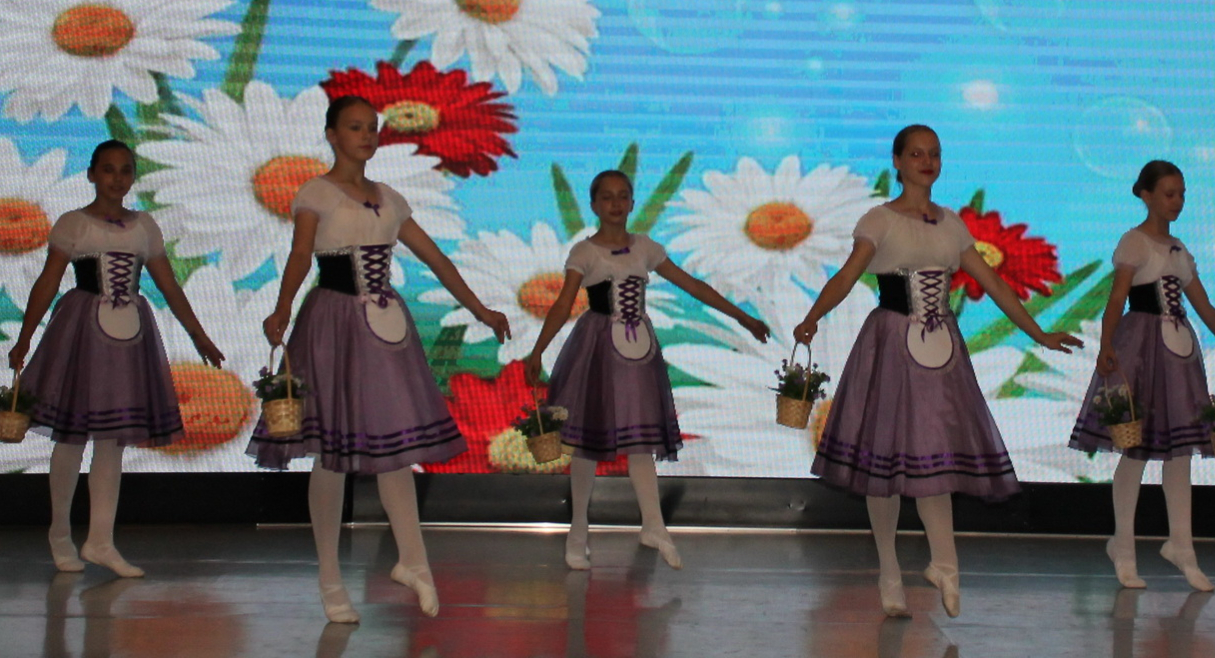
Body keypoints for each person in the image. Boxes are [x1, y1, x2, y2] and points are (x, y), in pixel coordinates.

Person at [793, 124, 1083, 618]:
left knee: (937, 456)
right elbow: (847, 274)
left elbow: (994, 284)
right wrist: (813, 316)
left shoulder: (952, 224)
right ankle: (889, 572)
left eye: (934, 153)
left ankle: (945, 564)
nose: (927, 161)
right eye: (916, 154)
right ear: (897, 162)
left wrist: (1039, 334)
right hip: (890, 344)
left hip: (941, 348)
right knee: (881, 465)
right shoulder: (879, 220)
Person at [248, 95, 512, 623]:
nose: (367, 135)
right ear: (331, 135)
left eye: (372, 127)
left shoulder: (390, 198)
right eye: (355, 127)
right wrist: (281, 307)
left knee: (394, 449)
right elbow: (301, 254)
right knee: (331, 452)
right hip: (333, 325)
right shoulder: (316, 192)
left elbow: (436, 258)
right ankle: (330, 578)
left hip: (387, 327)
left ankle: (413, 560)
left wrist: (480, 309)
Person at [526, 168, 771, 572]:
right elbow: (563, 303)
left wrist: (743, 318)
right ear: (594, 205)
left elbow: (693, 286)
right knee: (587, 443)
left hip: (638, 352)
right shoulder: (584, 252)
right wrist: (538, 349)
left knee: (640, 440)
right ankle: (578, 530)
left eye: (623, 196)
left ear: (632, 203)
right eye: (607, 197)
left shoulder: (645, 247)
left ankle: (654, 525)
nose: (616, 204)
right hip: (596, 350)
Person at [9, 139, 224, 577]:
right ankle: (60, 533)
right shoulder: (74, 224)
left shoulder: (144, 226)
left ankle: (101, 540)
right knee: (71, 437)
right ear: (91, 174)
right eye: (108, 169)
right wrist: (25, 336)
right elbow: (48, 281)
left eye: (125, 170)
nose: (117, 178)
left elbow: (168, 285)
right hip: (81, 334)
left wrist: (199, 335)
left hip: (129, 337)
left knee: (112, 441)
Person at [1070, 159, 1215, 590]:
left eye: (1181, 194)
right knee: (1135, 449)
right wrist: (1106, 346)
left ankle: (1182, 545)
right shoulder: (1134, 242)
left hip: (1179, 356)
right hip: (1142, 350)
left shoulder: (1179, 249)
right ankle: (1123, 546)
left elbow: (1205, 306)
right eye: (1168, 193)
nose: (1177, 201)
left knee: (1181, 453)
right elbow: (1116, 299)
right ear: (1146, 195)